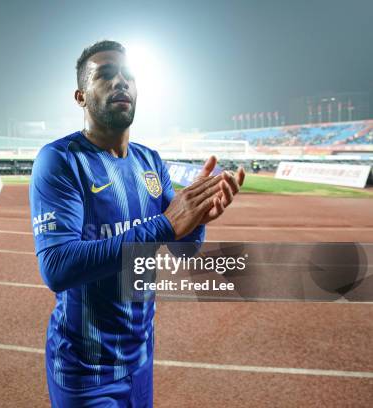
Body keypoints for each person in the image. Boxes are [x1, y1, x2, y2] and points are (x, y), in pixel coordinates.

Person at [29, 40, 245, 407]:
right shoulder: (60, 160)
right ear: (81, 96)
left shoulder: (150, 161)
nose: (121, 83)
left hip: (140, 359)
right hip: (85, 371)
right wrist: (165, 224)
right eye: (106, 76)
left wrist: (196, 219)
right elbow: (57, 267)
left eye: (128, 76)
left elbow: (183, 250)